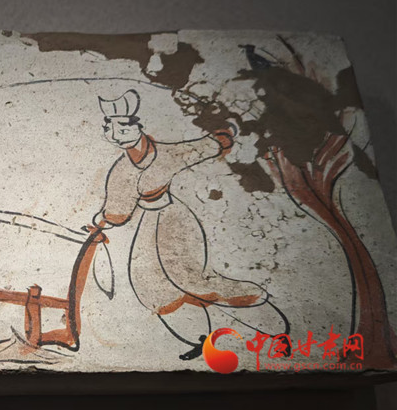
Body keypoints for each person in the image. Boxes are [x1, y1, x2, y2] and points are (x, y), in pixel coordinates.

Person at [84, 89, 290, 360]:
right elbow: (117, 209)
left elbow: (195, 150)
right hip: (149, 226)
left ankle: (276, 332)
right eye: (109, 129)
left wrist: (221, 138)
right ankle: (200, 339)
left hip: (175, 223)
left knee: (193, 280)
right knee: (150, 284)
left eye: (122, 127)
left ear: (138, 126)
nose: (115, 134)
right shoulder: (122, 169)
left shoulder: (163, 153)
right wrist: (101, 225)